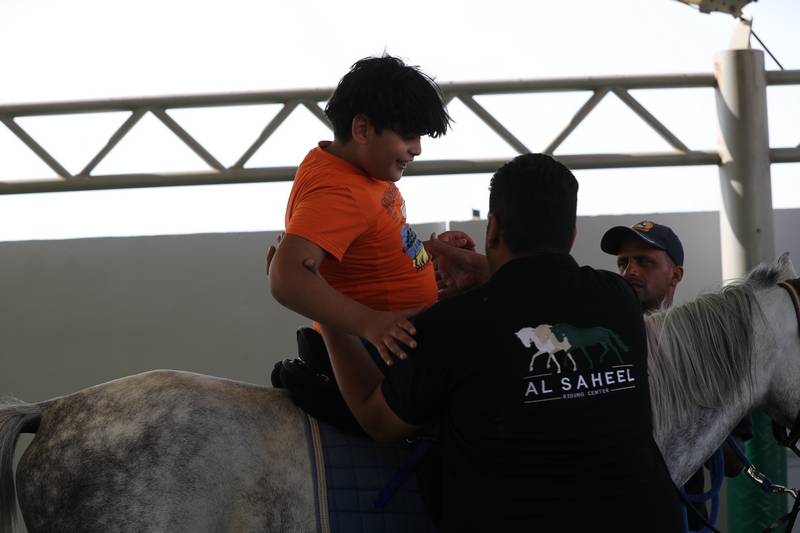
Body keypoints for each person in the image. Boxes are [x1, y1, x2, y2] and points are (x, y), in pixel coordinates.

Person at [317, 154, 684, 532]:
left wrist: (328, 315)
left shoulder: (450, 324)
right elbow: (537, 290)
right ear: (572, 235)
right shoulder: (619, 299)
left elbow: (378, 420)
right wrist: (485, 274)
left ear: (492, 229)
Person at [269, 54, 463, 366]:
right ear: (362, 129)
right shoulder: (340, 192)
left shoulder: (351, 168)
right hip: (377, 353)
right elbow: (285, 276)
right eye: (408, 135)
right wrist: (371, 324)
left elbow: (365, 245)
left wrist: (427, 254)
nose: (417, 149)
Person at [601, 220, 752, 531]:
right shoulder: (604, 349)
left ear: (676, 274)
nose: (630, 271)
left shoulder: (707, 350)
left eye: (644, 261)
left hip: (684, 517)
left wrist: (692, 402)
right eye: (623, 262)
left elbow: (734, 462)